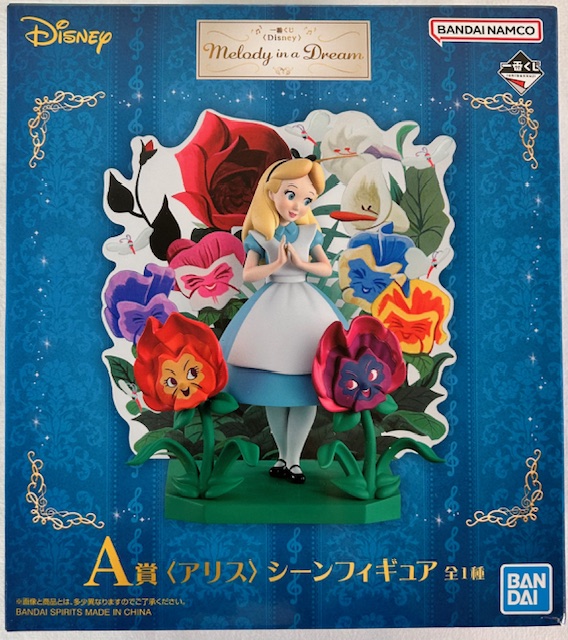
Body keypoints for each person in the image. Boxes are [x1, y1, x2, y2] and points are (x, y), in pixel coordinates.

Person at [220, 155, 347, 483]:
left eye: (307, 200)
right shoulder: (262, 234)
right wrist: (275, 264)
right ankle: (282, 457)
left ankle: (294, 460)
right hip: (272, 307)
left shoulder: (310, 232)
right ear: (271, 192)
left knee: (307, 388)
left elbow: (325, 268)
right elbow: (249, 274)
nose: (297, 206)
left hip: (307, 310)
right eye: (291, 195)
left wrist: (302, 266)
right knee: (275, 391)